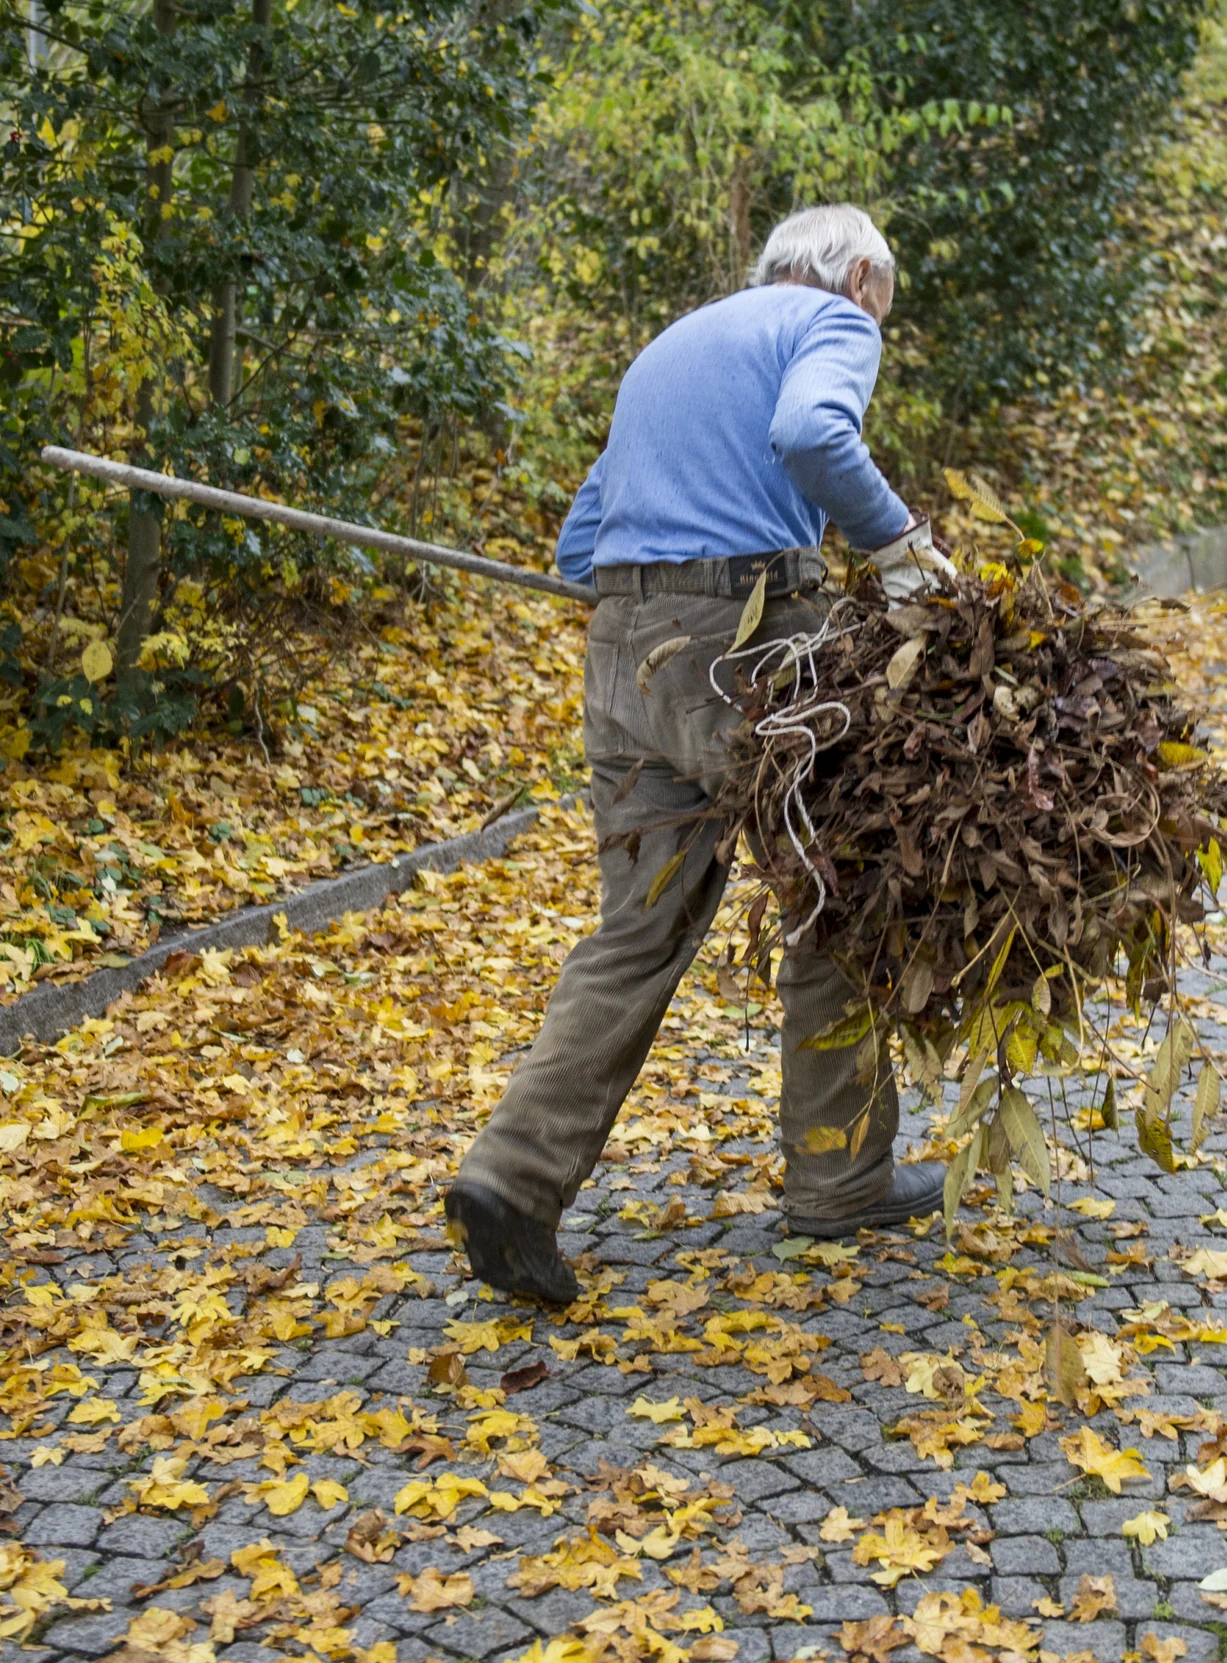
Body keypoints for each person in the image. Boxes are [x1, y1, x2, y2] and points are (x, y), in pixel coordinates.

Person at [445, 205, 952, 1304]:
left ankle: (511, 1177)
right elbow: (815, 436)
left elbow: (584, 540)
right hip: (746, 652)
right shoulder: (831, 317)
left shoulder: (675, 345)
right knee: (846, 881)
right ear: (859, 272)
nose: (876, 324)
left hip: (625, 659)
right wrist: (901, 551)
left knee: (637, 930)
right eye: (883, 302)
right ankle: (838, 1177)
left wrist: (649, 588)